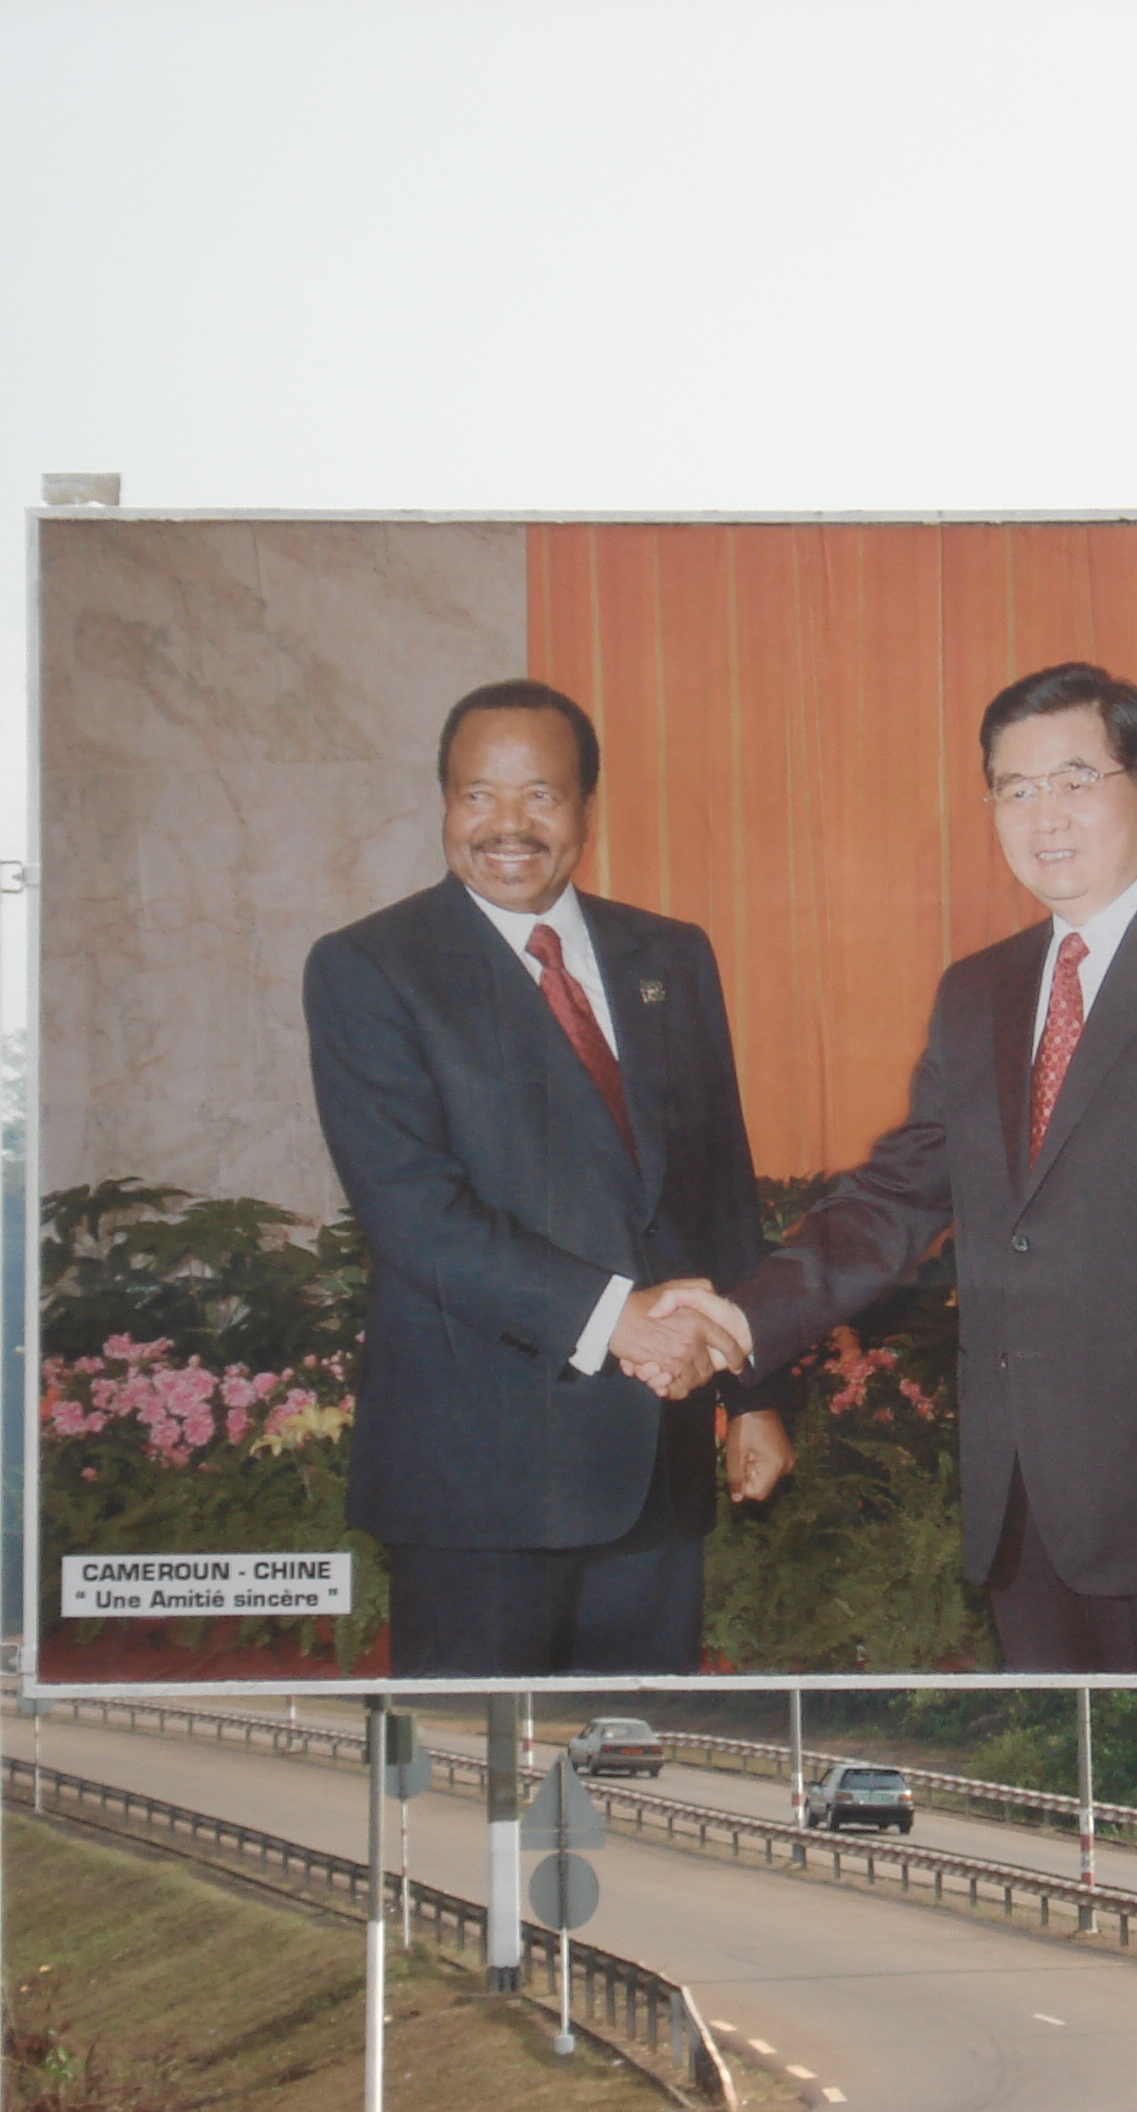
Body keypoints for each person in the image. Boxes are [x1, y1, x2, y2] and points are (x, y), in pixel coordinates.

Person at [661, 662, 1137, 1673]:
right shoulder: (977, 992)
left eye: (1076, 780)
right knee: (1071, 1804)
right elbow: (897, 1197)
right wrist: (739, 1318)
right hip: (1026, 1507)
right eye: (1015, 790)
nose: (1047, 817)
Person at [303, 679, 789, 1678]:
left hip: (654, 1472)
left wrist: (755, 1393)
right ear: (442, 804)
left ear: (584, 811)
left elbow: (718, 1190)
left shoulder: (670, 956)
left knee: (637, 1770)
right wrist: (618, 1319)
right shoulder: (369, 969)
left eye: (541, 797)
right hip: (479, 1485)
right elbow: (414, 1215)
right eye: (476, 796)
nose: (507, 827)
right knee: (471, 1790)